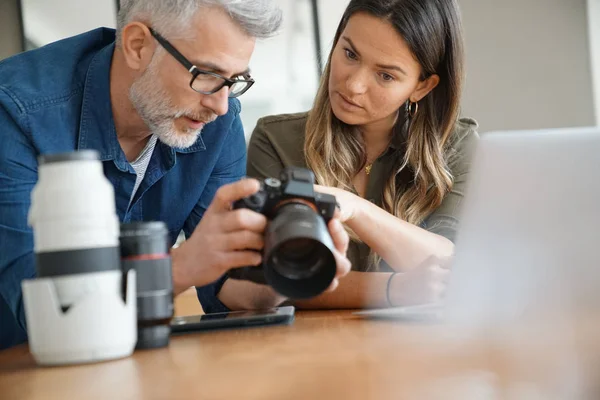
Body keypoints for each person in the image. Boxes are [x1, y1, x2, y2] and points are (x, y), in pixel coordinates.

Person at [0, 0, 351, 349]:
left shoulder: (215, 122)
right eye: (207, 75)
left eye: (234, 80)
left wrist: (290, 264)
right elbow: (45, 314)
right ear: (138, 46)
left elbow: (227, 291)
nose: (221, 105)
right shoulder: (15, 113)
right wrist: (181, 266)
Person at [228, 0, 479, 310]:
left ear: (422, 87)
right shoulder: (275, 139)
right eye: (350, 54)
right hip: (303, 350)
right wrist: (392, 289)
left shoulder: (457, 147)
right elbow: (265, 279)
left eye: (386, 76)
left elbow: (451, 266)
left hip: (418, 351)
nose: (354, 85)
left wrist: (355, 209)